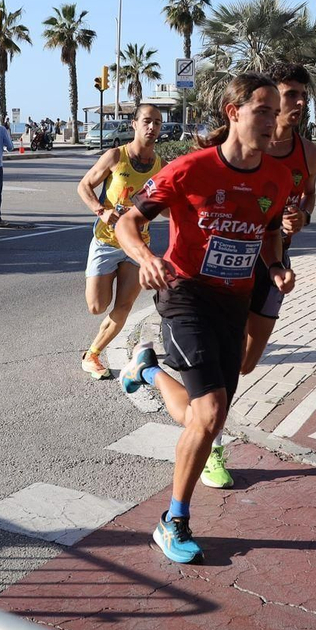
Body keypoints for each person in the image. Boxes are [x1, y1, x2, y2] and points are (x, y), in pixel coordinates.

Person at [114, 75, 292, 564]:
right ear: (233, 113)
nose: (272, 120)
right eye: (263, 109)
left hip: (232, 304)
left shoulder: (275, 180)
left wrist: (275, 267)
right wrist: (146, 257)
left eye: (275, 111)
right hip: (184, 293)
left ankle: (145, 369)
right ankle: (173, 521)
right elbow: (129, 220)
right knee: (211, 413)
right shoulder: (189, 170)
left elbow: (271, 230)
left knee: (203, 419)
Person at [214, 62, 316, 489]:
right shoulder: (243, 146)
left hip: (275, 264)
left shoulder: (307, 153)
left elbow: (308, 197)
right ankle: (213, 445)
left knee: (247, 361)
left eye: (301, 96)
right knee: (224, 361)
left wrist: (304, 216)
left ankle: (156, 376)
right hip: (230, 264)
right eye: (290, 95)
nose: (297, 104)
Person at [75, 104, 164, 380]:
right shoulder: (116, 156)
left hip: (137, 245)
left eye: (158, 123)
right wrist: (101, 211)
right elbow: (84, 186)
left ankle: (93, 354)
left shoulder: (161, 166)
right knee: (96, 306)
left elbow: (166, 207)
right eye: (147, 121)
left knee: (124, 306)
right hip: (106, 242)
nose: (152, 127)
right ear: (135, 124)